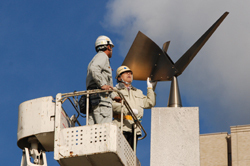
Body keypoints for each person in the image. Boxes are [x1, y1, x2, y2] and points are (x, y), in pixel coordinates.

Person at [112, 66, 156, 150]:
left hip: (135, 128)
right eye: (125, 73)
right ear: (119, 77)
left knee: (130, 155)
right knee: (120, 152)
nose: (129, 74)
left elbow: (150, 103)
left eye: (130, 73)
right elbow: (111, 105)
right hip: (121, 126)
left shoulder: (138, 92)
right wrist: (127, 110)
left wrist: (150, 88)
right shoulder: (115, 90)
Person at [86, 35, 120, 125]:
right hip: (102, 99)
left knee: (93, 130)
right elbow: (94, 68)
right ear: (108, 46)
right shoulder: (103, 56)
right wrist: (102, 84)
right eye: (111, 47)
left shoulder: (96, 58)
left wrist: (113, 97)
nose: (112, 50)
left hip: (94, 98)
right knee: (104, 129)